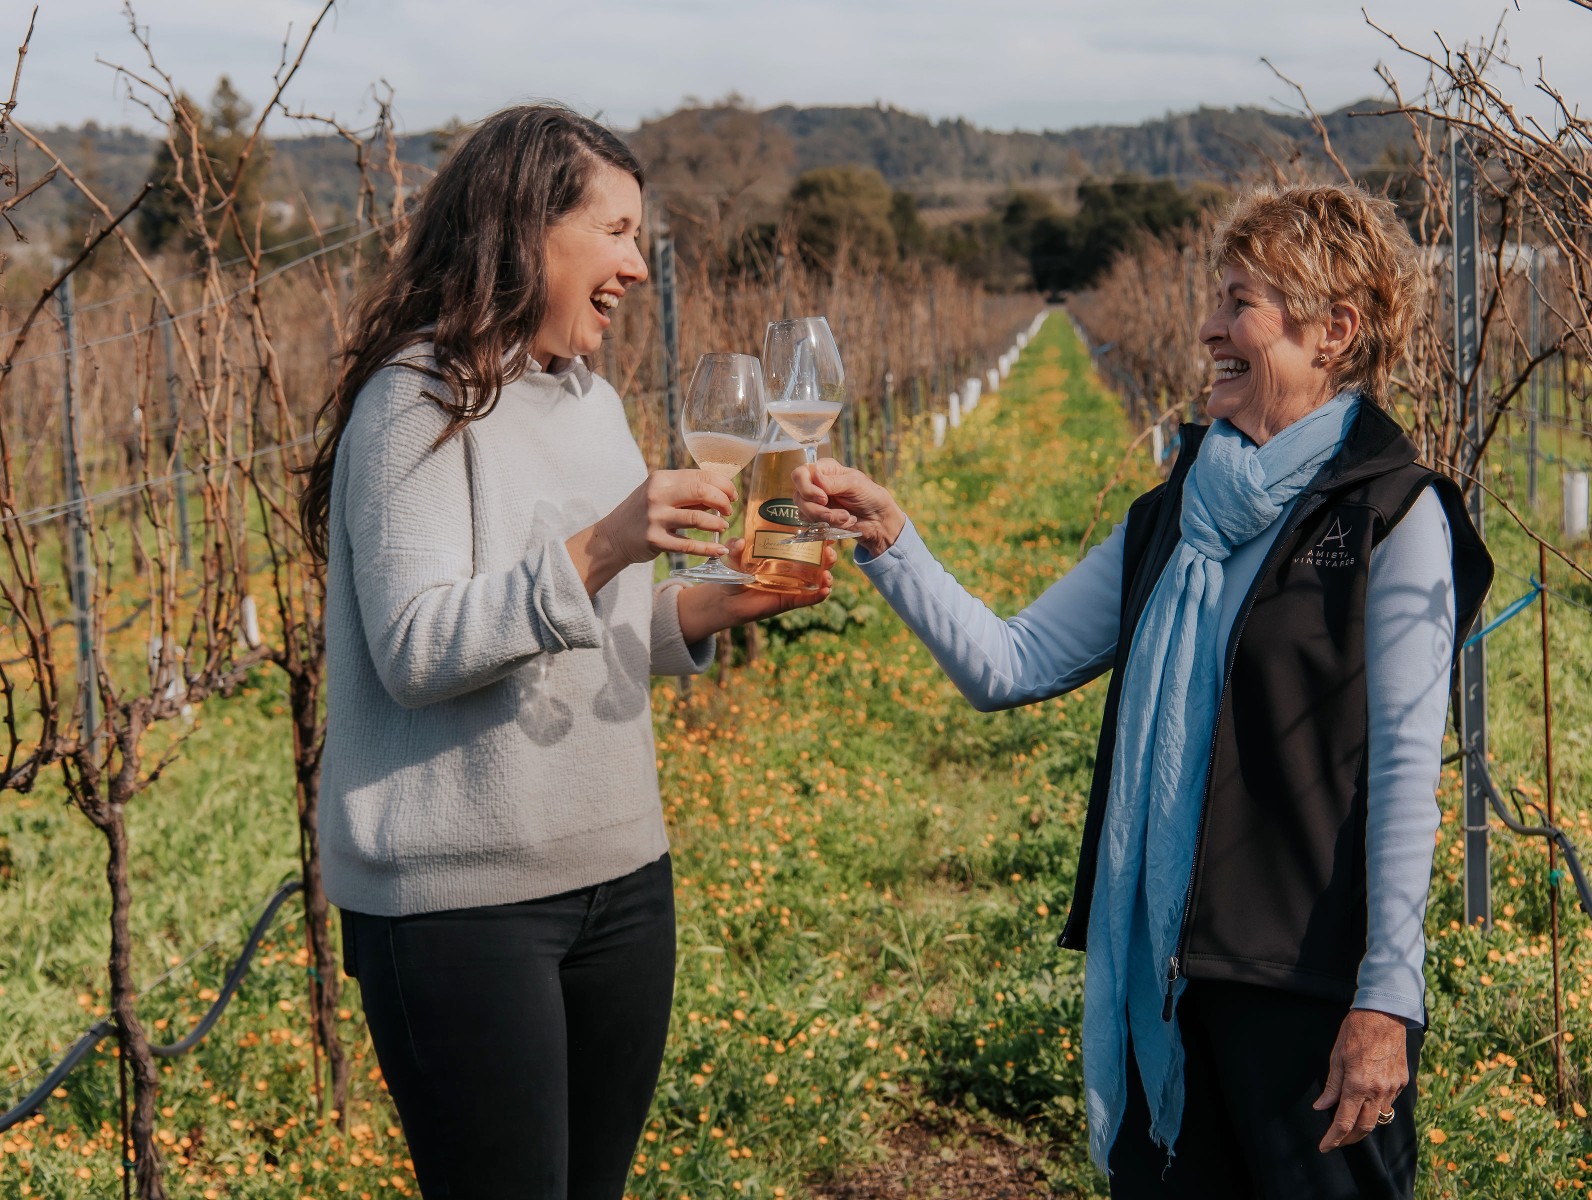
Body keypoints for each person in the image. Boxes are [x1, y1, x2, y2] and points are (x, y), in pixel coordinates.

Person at [795, 183, 1493, 1198]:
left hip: (1307, 996)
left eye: (1241, 300)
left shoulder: (1397, 517)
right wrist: (890, 540)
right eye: (1216, 296)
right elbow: (1011, 662)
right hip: (1161, 984)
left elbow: (1400, 776)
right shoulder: (1170, 515)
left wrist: (1386, 1001)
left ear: (1333, 330)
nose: (1209, 324)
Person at [297, 104, 832, 1200]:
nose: (639, 265)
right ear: (527, 226)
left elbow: (585, 634)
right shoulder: (417, 401)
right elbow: (415, 647)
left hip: (623, 877)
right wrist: (601, 544)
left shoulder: (587, 402)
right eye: (619, 231)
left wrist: (713, 606)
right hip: (460, 909)